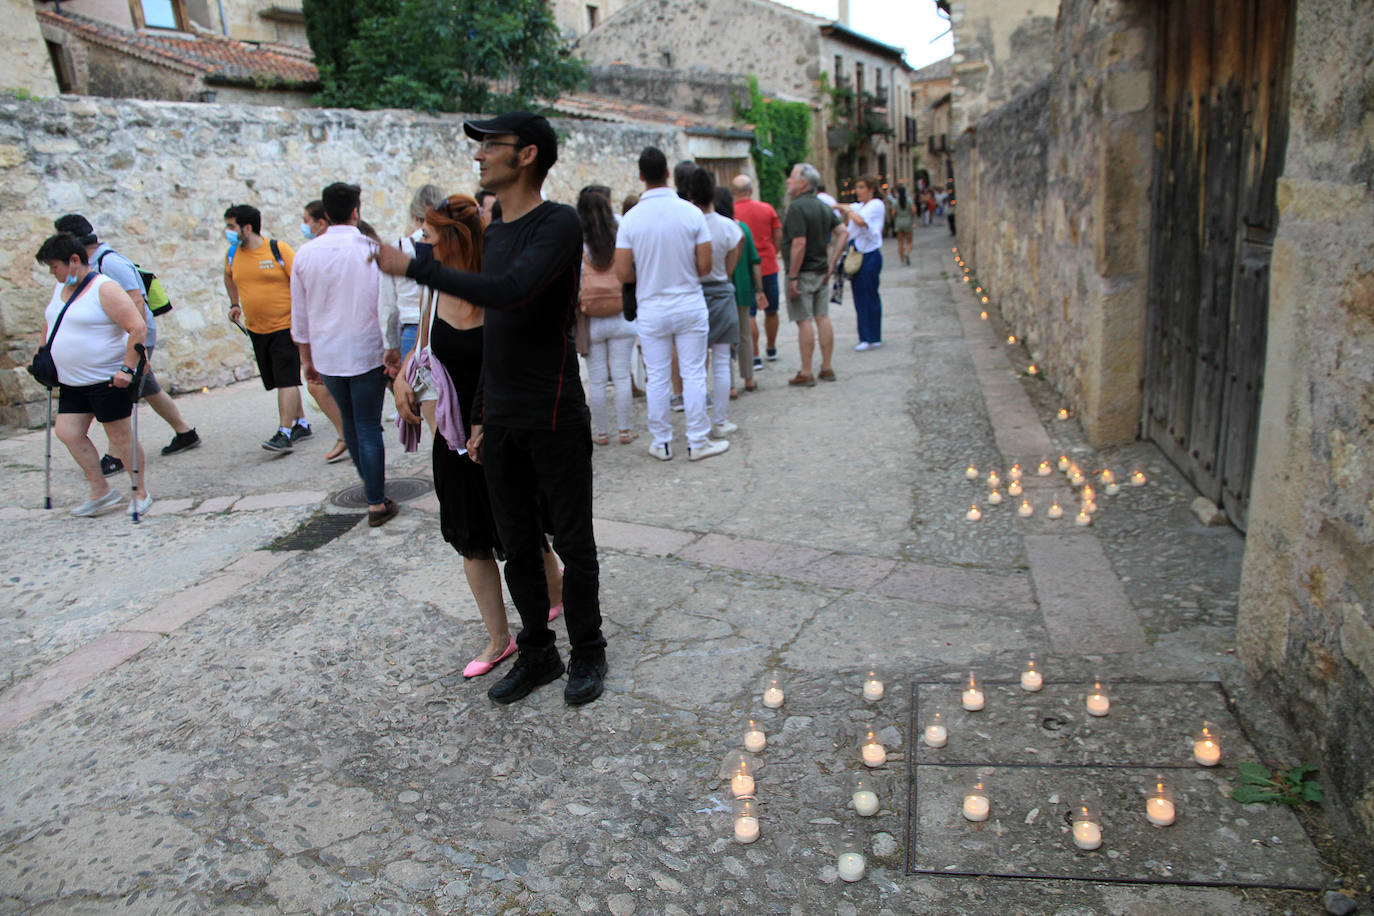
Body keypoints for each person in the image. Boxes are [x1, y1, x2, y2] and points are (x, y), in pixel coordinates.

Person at [373, 111, 609, 706]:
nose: (478, 156)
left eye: (490, 146)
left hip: (553, 412)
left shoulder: (558, 224)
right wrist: (480, 412)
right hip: (500, 417)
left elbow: (512, 293)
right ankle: (537, 655)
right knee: (517, 544)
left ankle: (588, 652)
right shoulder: (498, 229)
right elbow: (496, 334)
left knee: (573, 545)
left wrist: (416, 265)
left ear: (526, 155)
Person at [391, 193, 564, 678]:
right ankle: (497, 638)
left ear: (453, 240)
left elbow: (521, 360)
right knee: (473, 540)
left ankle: (556, 591)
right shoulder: (432, 287)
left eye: (428, 235)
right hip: (450, 433)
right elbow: (422, 346)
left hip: (503, 428)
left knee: (525, 533)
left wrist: (489, 418)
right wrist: (404, 377)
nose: (421, 244)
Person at [290, 181, 402, 526]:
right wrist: (391, 347)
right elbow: (386, 304)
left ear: (324, 215)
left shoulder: (306, 254)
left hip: (328, 352)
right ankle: (375, 500)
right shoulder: (370, 248)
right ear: (356, 210)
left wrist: (306, 360)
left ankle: (372, 492)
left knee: (351, 424)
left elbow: (300, 315)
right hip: (367, 348)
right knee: (368, 425)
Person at [53, 215, 198, 472]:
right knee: (148, 387)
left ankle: (117, 455)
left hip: (131, 337)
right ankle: (185, 432)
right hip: (121, 337)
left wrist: (137, 348)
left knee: (118, 393)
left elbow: (137, 301)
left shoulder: (111, 263)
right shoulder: (93, 263)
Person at [615, 147, 729, 463]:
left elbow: (623, 272)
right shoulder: (691, 213)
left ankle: (662, 441)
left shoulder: (631, 219)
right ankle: (697, 440)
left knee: (658, 376)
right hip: (689, 302)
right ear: (667, 173)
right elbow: (705, 267)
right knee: (693, 373)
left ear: (640, 176)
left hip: (651, 306)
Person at [34, 233, 151, 517]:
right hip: (72, 381)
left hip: (107, 379)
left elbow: (137, 328)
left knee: (120, 436)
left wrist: (127, 367)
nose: (53, 273)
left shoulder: (104, 288)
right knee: (67, 432)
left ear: (74, 260)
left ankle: (140, 492)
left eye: (55, 266)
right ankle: (100, 490)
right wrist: (41, 357)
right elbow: (50, 323)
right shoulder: (60, 288)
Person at [224, 204, 345, 459]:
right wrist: (234, 303)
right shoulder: (232, 254)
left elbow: (301, 281)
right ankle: (301, 423)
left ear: (247, 227)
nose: (228, 232)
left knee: (287, 379)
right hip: (257, 329)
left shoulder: (277, 250)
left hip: (285, 326)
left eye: (231, 226)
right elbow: (228, 277)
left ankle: (284, 432)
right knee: (279, 379)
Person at [575, 186, 638, 446]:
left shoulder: (578, 235)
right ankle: (625, 431)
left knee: (598, 380)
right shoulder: (621, 226)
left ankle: (601, 433)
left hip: (592, 317)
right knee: (622, 375)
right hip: (621, 312)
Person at [688, 169, 742, 437]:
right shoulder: (729, 226)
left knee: (695, 364)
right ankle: (720, 421)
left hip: (693, 292)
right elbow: (733, 259)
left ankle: (695, 422)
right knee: (721, 360)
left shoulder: (687, 224)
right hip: (721, 292)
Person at [780, 163, 842, 386]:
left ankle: (806, 371)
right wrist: (832, 263)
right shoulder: (823, 206)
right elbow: (842, 233)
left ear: (803, 183)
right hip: (820, 271)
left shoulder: (797, 208)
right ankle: (826, 367)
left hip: (803, 272)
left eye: (792, 177)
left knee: (804, 320)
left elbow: (799, 243)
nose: (788, 181)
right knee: (822, 317)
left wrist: (793, 276)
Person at [729, 175, 782, 371]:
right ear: (751, 190)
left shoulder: (731, 214)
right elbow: (778, 235)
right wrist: (772, 253)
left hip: (743, 269)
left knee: (748, 313)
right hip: (767, 265)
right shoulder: (767, 209)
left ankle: (755, 355)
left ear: (733, 192)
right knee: (771, 309)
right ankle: (771, 347)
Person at [716, 187, 763, 394]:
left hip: (721, 290)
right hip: (743, 288)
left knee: (724, 339)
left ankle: (731, 385)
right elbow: (755, 261)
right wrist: (759, 288)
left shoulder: (713, 229)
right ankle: (749, 378)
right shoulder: (742, 228)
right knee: (744, 334)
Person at [839, 174, 886, 351]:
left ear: (870, 189)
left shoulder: (875, 205)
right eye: (857, 187)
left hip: (869, 254)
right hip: (858, 252)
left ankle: (871, 335)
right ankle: (866, 335)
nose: (858, 191)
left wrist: (849, 212)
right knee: (860, 295)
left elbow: (860, 221)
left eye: (861, 187)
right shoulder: (860, 206)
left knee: (869, 294)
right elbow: (843, 207)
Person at [893, 183, 914, 266]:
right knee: (909, 241)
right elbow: (913, 210)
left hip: (899, 221)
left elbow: (893, 213)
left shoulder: (895, 202)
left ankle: (902, 259)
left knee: (900, 242)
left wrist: (895, 219)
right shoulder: (909, 200)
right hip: (907, 220)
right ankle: (907, 252)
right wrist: (911, 217)